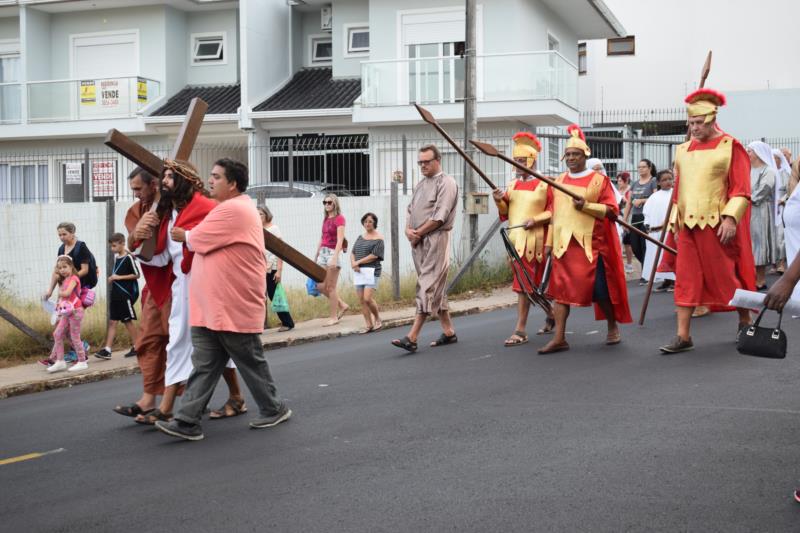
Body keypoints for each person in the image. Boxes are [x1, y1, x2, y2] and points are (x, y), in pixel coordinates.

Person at [155, 159, 291, 441]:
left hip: (231, 304)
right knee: (204, 364)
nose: (211, 180)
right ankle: (187, 421)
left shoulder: (235, 209)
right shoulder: (227, 208)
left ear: (232, 184)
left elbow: (199, 238)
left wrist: (184, 234)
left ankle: (273, 407)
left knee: (249, 360)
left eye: (216, 177)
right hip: (211, 306)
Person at [134, 160, 245, 424]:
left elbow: (224, 244)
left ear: (184, 180)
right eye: (164, 177)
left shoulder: (208, 209)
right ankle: (168, 407)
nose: (165, 182)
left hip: (211, 285)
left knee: (223, 344)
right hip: (183, 287)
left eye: (171, 177)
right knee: (179, 342)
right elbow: (162, 259)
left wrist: (191, 237)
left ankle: (239, 397)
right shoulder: (168, 215)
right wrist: (136, 242)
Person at [658, 89, 756, 354]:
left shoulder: (730, 146)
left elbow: (741, 190)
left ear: (712, 119)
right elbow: (678, 192)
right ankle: (683, 335)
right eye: (691, 123)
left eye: (699, 123)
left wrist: (730, 219)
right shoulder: (682, 150)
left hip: (717, 224)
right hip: (688, 226)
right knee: (686, 279)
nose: (694, 128)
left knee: (728, 276)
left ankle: (745, 321)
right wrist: (674, 227)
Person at [538, 125, 632, 354]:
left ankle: (612, 325)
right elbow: (554, 213)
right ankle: (559, 337)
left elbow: (612, 211)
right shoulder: (558, 180)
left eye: (575, 154)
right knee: (560, 294)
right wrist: (549, 243)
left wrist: (587, 206)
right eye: (568, 154)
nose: (571, 158)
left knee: (600, 291)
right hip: (563, 245)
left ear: (585, 156)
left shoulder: (599, 180)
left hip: (592, 245)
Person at [391, 144, 459, 353]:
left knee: (426, 284)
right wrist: (408, 231)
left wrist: (418, 232)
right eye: (420, 162)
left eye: (426, 162)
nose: (423, 166)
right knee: (435, 287)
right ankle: (449, 331)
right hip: (418, 241)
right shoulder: (421, 184)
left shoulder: (447, 182)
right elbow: (410, 209)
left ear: (438, 160)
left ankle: (412, 336)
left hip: (436, 239)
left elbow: (440, 216)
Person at [113, 167, 169, 419]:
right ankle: (148, 400)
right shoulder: (137, 211)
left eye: (138, 188)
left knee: (199, 345)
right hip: (154, 286)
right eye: (133, 189)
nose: (135, 194)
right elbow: (135, 242)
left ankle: (235, 394)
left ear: (155, 184)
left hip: (179, 283)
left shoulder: (173, 205)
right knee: (148, 341)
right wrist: (138, 232)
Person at [492, 132, 555, 346]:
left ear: (532, 159)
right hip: (514, 239)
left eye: (520, 160)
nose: (516, 164)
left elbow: (553, 211)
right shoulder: (512, 185)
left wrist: (536, 219)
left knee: (526, 285)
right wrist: (499, 199)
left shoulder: (545, 183)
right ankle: (552, 314)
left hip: (536, 239)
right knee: (528, 285)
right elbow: (505, 212)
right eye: (515, 160)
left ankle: (520, 329)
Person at [94, 233, 139, 360]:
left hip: (125, 294)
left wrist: (117, 277)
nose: (112, 249)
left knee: (127, 321)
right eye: (111, 246)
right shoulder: (117, 258)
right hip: (116, 294)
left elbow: (136, 274)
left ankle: (138, 346)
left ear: (122, 243)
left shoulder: (128, 257)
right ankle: (107, 350)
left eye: (114, 246)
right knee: (113, 321)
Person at [45, 255, 88, 373]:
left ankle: (82, 361)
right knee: (57, 334)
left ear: (71, 266)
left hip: (76, 311)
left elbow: (68, 293)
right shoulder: (64, 280)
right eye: (60, 268)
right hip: (67, 312)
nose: (62, 270)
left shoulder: (74, 278)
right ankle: (60, 361)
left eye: (65, 267)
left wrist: (60, 292)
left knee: (75, 336)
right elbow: (63, 296)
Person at [746, 141, 777, 290]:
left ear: (758, 153)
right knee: (748, 243)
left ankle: (761, 279)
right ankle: (750, 277)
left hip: (760, 210)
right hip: (746, 210)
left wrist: (746, 199)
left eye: (750, 151)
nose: (747, 154)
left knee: (759, 243)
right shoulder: (748, 170)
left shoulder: (768, 170)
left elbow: (764, 190)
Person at [315, 194, 349, 326]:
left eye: (329, 202)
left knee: (330, 287)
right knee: (320, 286)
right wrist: (316, 254)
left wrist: (335, 257)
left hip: (332, 253)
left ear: (335, 203)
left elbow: (340, 239)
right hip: (323, 253)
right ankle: (342, 304)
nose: (327, 205)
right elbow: (322, 237)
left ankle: (334, 317)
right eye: (325, 202)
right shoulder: (325, 219)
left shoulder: (340, 219)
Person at [259, 206, 295, 332]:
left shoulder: (274, 228)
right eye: (257, 214)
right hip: (262, 267)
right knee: (261, 296)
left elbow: (281, 250)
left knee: (275, 296)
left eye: (261, 214)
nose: (259, 217)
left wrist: (279, 270)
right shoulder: (259, 229)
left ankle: (287, 322)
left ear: (267, 215)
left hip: (273, 268)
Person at [642, 170, 676, 292]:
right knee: (657, 256)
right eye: (664, 180)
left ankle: (673, 280)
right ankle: (665, 280)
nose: (668, 182)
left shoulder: (675, 195)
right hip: (655, 233)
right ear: (658, 182)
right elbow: (647, 212)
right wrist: (647, 224)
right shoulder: (654, 197)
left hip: (669, 231)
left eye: (670, 179)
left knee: (668, 255)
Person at [624, 159, 658, 281]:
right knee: (635, 246)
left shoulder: (653, 181)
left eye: (643, 167)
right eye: (639, 167)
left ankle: (646, 273)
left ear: (649, 168)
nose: (640, 169)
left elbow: (656, 198)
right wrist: (624, 220)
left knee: (645, 245)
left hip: (647, 217)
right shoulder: (634, 183)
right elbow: (629, 202)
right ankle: (649, 269)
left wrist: (642, 201)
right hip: (635, 217)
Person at [350, 212, 384, 334]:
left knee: (367, 298)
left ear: (374, 223)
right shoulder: (360, 237)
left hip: (372, 271)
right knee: (361, 300)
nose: (367, 224)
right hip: (359, 272)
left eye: (370, 221)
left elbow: (374, 255)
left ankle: (378, 319)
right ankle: (368, 325)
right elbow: (353, 252)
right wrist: (353, 263)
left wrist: (358, 262)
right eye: (365, 221)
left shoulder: (379, 239)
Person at [772, 148, 791, 274]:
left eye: (776, 158)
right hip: (770, 207)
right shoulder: (770, 172)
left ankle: (782, 263)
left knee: (780, 237)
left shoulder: (786, 173)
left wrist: (782, 200)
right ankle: (775, 263)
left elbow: (790, 190)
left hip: (782, 206)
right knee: (772, 236)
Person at [616, 172, 635, 273]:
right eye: (618, 181)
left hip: (627, 218)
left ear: (626, 180)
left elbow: (629, 203)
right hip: (618, 217)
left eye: (620, 181)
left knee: (627, 243)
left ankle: (629, 263)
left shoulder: (629, 190)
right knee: (619, 242)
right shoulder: (617, 191)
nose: (619, 183)